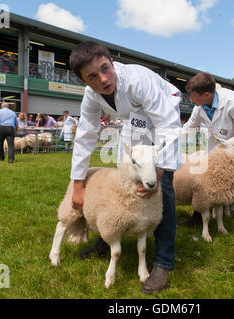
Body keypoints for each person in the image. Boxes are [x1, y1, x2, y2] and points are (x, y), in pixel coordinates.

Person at [69, 41, 182, 294]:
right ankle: (108, 238)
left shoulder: (138, 80)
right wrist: (78, 184)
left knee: (161, 187)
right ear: (84, 81)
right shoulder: (91, 96)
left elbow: (168, 125)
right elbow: (86, 135)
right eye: (93, 77)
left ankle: (163, 262)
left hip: (164, 113)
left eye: (105, 69)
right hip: (134, 122)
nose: (104, 79)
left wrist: (159, 171)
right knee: (123, 180)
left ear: (111, 61)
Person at [178, 73, 234, 248]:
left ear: (206, 94)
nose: (190, 98)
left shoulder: (233, 102)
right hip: (216, 150)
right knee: (203, 182)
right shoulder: (199, 107)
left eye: (192, 95)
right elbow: (188, 128)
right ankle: (198, 217)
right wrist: (168, 142)